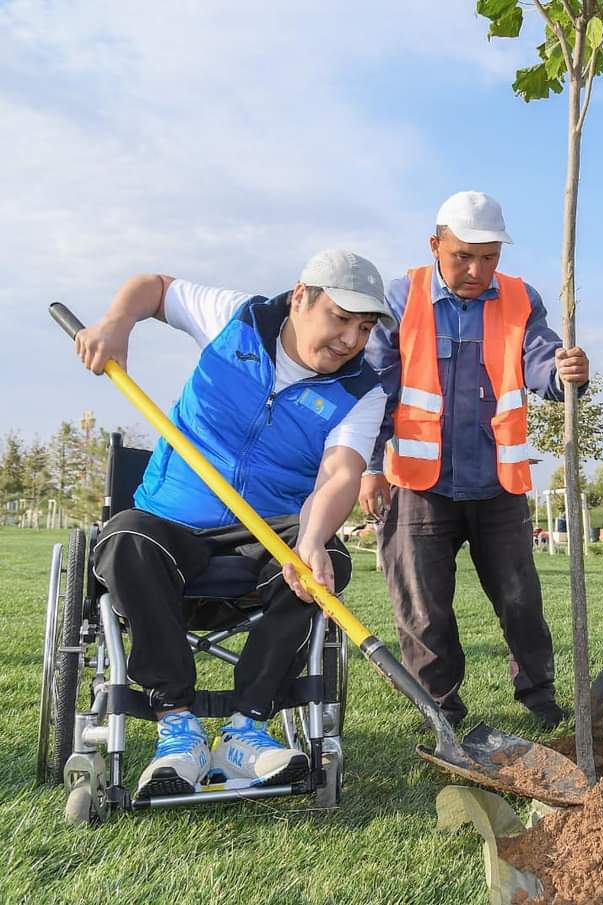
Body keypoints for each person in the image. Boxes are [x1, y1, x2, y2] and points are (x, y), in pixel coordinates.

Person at [73, 249, 392, 799]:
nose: (350, 340)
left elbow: (340, 473)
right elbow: (153, 286)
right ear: (300, 298)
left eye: (364, 328)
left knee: (328, 560)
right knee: (124, 537)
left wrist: (312, 540)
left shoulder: (363, 391)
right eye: (340, 319)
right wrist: (115, 323)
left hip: (262, 535)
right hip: (169, 526)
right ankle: (177, 728)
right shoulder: (236, 319)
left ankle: (246, 730)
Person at [360, 191, 589, 731]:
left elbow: (539, 361)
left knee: (520, 603)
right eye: (464, 255)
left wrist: (564, 372)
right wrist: (370, 466)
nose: (477, 269)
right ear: (435, 245)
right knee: (422, 610)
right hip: (418, 483)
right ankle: (440, 709)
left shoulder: (520, 298)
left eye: (489, 257)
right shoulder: (401, 296)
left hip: (497, 485)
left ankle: (540, 699)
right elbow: (373, 387)